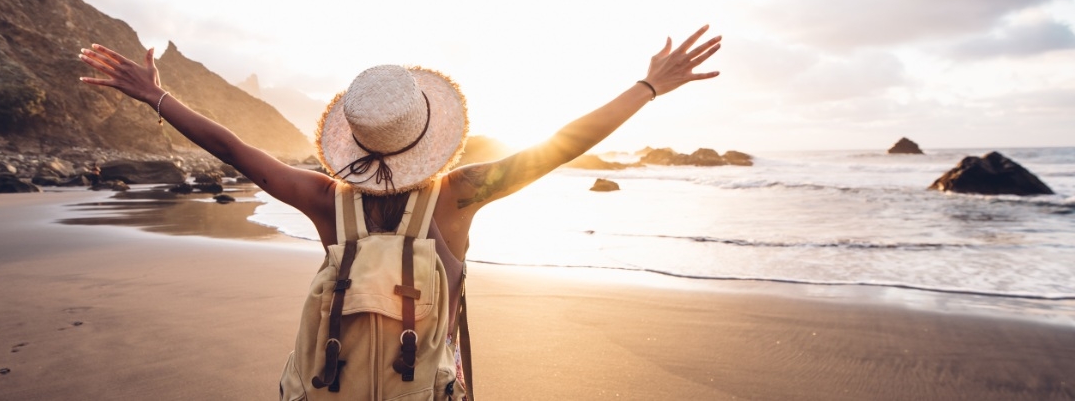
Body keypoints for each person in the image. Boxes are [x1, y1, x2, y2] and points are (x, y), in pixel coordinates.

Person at [78, 25, 720, 397]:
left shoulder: (326, 200)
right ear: (432, 132)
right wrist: (649, 88)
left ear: (354, 141)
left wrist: (158, 99)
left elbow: (235, 150)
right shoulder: (459, 195)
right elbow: (561, 145)